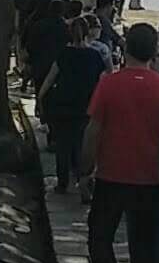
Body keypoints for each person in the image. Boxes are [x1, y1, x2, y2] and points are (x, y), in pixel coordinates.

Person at [83, 23, 159, 263]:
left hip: (111, 175)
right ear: (154, 51)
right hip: (151, 179)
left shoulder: (110, 84)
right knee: (144, 245)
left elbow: (94, 130)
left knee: (99, 237)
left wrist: (85, 168)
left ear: (125, 48)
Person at [38, 16, 109, 194]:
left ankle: (62, 184)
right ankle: (83, 184)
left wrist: (41, 99)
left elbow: (49, 80)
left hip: (63, 107)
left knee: (62, 146)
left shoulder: (64, 54)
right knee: (82, 146)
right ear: (87, 32)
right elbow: (103, 82)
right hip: (86, 107)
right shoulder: (95, 56)